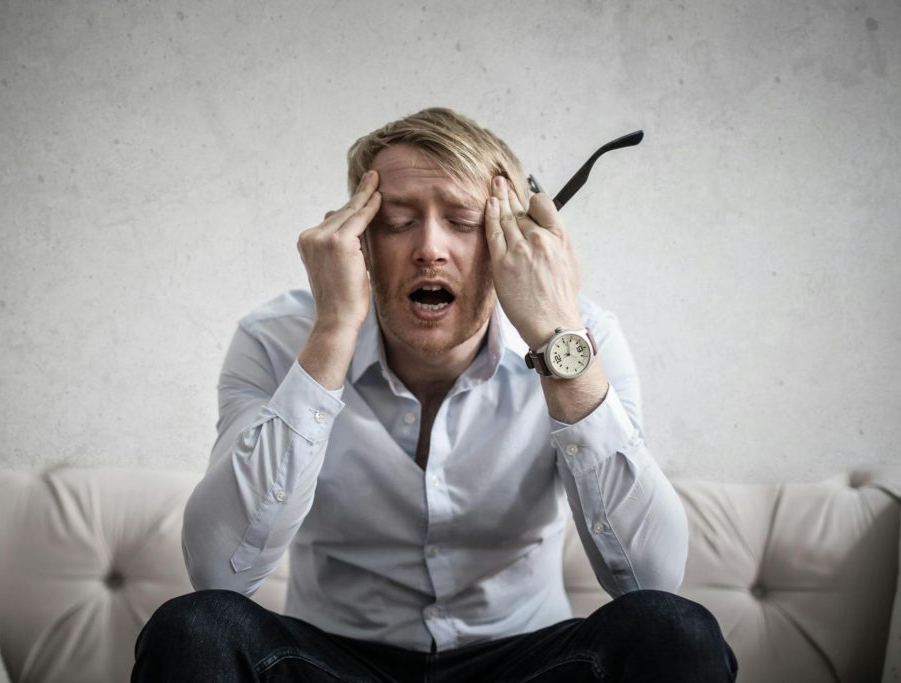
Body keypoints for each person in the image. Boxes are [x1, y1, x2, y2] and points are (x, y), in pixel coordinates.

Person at [133, 107, 737, 682]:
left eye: (465, 222)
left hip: (526, 668)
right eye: (396, 222)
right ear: (359, 243)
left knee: (672, 630)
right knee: (195, 628)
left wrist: (559, 342)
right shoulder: (274, 339)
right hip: (334, 668)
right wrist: (332, 333)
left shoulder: (584, 340)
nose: (429, 248)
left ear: (511, 242)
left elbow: (652, 580)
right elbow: (218, 573)